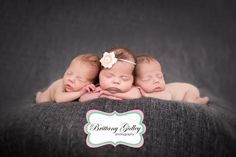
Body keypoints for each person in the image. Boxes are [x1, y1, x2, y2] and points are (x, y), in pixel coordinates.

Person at [135, 55, 209, 104]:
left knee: (188, 102)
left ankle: (201, 101)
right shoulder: (136, 90)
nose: (156, 80)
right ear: (135, 82)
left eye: (159, 76)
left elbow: (167, 97)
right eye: (147, 78)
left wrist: (147, 95)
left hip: (189, 90)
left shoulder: (163, 92)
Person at [35, 54, 100, 103]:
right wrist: (80, 93)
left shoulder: (88, 89)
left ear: (92, 84)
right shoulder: (61, 84)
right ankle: (39, 95)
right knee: (40, 99)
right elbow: (58, 98)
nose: (71, 79)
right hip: (46, 97)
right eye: (69, 73)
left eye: (80, 79)